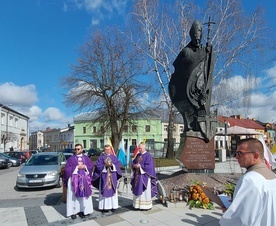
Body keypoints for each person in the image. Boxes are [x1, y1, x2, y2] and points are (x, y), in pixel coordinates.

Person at [169, 20, 215, 141]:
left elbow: (208, 67)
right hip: (186, 89)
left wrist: (210, 53)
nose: (197, 40)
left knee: (200, 108)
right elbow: (178, 67)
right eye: (195, 37)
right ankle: (189, 126)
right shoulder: (185, 51)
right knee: (188, 109)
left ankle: (200, 128)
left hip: (200, 88)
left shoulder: (206, 50)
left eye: (199, 38)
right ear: (191, 35)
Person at [220, 138, 276, 226]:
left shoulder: (249, 180)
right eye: (236, 153)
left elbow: (240, 220)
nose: (236, 157)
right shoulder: (273, 176)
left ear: (255, 156)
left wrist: (229, 213)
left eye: (240, 153)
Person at [63, 144, 94, 219]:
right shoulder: (71, 159)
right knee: (73, 196)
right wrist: (77, 167)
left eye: (78, 149)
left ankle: (84, 210)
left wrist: (85, 167)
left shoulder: (86, 158)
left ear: (82, 149)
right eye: (76, 149)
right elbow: (67, 169)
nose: (77, 150)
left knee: (84, 196)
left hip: (84, 180)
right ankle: (73, 212)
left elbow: (91, 166)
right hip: (74, 180)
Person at [92, 144, 122, 212]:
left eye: (108, 149)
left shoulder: (114, 157)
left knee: (113, 191)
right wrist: (105, 166)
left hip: (112, 177)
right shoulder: (101, 158)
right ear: (104, 150)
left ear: (110, 150)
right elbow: (98, 166)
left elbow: (118, 165)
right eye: (106, 149)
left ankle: (113, 206)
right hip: (104, 177)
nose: (107, 151)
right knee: (104, 190)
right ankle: (105, 207)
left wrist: (112, 165)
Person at [130, 143, 157, 210]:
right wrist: (134, 165)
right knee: (137, 190)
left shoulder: (148, 155)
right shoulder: (138, 155)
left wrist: (140, 166)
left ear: (144, 148)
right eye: (139, 148)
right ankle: (137, 205)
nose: (139, 149)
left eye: (141, 148)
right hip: (137, 176)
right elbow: (133, 162)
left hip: (144, 176)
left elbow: (150, 167)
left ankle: (145, 206)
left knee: (144, 192)